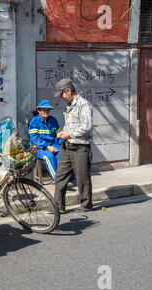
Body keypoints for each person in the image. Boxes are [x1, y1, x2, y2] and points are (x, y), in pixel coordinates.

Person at [53, 79, 93, 214]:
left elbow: (86, 127)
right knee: (60, 176)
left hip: (80, 147)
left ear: (69, 91)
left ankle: (86, 204)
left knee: (82, 178)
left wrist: (68, 134)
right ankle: (58, 206)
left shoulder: (83, 104)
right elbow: (70, 125)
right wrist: (63, 132)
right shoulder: (69, 105)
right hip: (67, 146)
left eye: (62, 94)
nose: (61, 97)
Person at [28, 99, 63, 183]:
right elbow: (34, 138)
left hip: (52, 144)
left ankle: (63, 178)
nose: (46, 112)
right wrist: (47, 147)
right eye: (43, 110)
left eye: (47, 110)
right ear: (39, 111)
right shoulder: (33, 121)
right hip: (39, 147)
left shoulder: (53, 120)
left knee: (62, 154)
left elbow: (59, 134)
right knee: (49, 157)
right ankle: (57, 180)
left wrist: (61, 143)